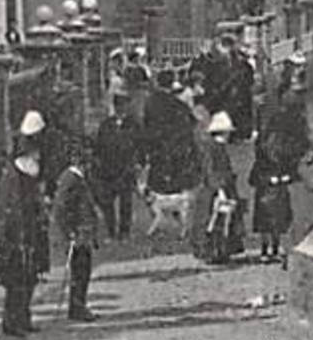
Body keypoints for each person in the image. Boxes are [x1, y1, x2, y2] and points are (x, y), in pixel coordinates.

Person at [0, 128, 49, 338]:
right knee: (17, 282)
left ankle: (23, 318)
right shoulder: (15, 178)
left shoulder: (26, 176)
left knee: (29, 279)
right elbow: (13, 212)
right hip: (14, 239)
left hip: (28, 236)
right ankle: (12, 322)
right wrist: (22, 239)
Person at [144, 73, 202, 237]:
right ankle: (178, 225)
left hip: (157, 151)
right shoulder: (177, 104)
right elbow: (190, 124)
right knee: (175, 190)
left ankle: (161, 223)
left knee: (157, 191)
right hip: (175, 152)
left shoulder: (150, 103)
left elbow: (147, 127)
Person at [52, 146, 102, 322]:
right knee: (79, 273)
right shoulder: (71, 179)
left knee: (83, 272)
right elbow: (60, 208)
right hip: (77, 237)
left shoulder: (75, 179)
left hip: (83, 236)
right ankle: (77, 308)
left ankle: (79, 306)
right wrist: (69, 232)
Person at [197, 112, 244, 265]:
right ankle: (212, 252)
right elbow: (211, 170)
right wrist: (220, 190)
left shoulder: (217, 147)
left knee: (224, 221)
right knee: (215, 221)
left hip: (223, 186)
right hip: (216, 190)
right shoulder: (213, 148)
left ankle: (222, 251)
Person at [92, 97, 141, 240]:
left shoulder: (133, 124)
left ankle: (124, 232)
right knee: (107, 202)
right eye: (118, 105)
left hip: (126, 168)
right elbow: (99, 146)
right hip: (109, 168)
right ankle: (111, 231)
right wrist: (100, 163)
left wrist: (138, 163)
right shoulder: (106, 125)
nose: (121, 108)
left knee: (126, 201)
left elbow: (139, 143)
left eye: (123, 105)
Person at [249, 128, 294, 266]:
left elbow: (252, 179)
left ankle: (270, 250)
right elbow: (252, 179)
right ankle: (268, 250)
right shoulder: (266, 162)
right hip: (271, 195)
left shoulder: (263, 162)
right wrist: (272, 179)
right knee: (271, 225)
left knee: (271, 225)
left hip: (271, 195)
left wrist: (286, 178)